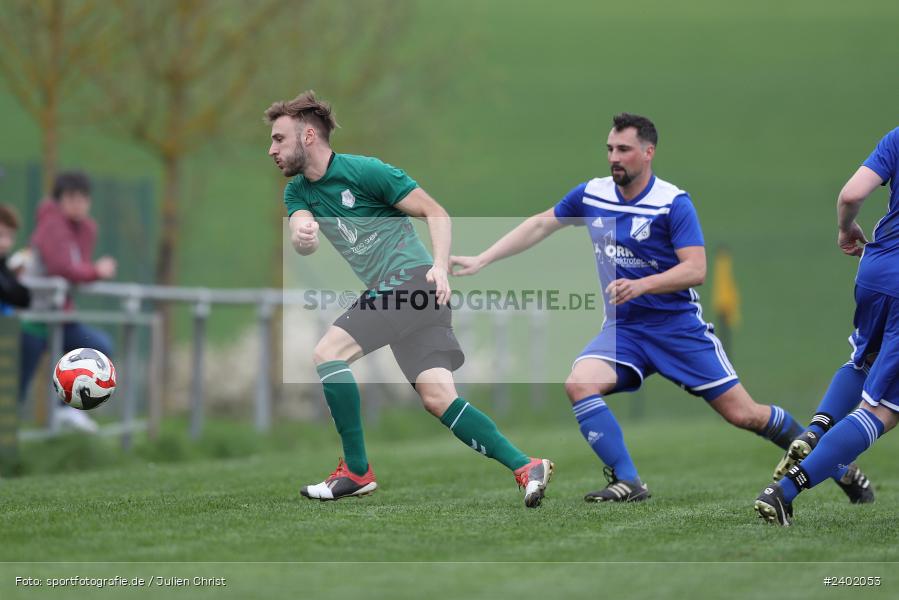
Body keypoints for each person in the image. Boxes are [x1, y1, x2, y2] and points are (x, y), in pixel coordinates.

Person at [451, 113, 868, 503]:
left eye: (624, 150)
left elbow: (696, 269)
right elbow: (542, 223)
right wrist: (482, 259)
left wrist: (641, 285)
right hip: (625, 331)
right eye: (610, 149)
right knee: (579, 383)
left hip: (678, 330)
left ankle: (838, 465)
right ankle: (627, 480)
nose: (615, 157)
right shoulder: (593, 193)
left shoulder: (671, 203)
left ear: (648, 153)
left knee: (746, 414)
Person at [266, 90, 553, 507]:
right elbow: (302, 230)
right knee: (439, 398)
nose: (271, 148)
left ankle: (356, 470)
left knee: (329, 354)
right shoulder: (298, 193)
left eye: (279, 138)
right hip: (408, 295)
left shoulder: (366, 171)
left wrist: (438, 265)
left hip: (413, 282)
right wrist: (302, 235)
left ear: (308, 136)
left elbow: (436, 212)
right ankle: (527, 466)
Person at [755, 127, 899, 526]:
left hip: (877, 268)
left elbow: (851, 195)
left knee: (863, 363)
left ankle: (816, 428)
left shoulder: (898, 137)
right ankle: (784, 492)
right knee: (882, 410)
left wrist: (845, 227)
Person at [19, 171, 117, 433]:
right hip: (34, 317)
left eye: (83, 198)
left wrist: (88, 270)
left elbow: (76, 269)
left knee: (98, 347)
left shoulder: (86, 228)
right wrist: (97, 271)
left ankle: (66, 412)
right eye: (71, 197)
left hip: (61, 316)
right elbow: (63, 267)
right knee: (17, 384)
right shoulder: (52, 224)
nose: (78, 203)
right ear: (59, 200)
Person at [0, 204, 31, 312]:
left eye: (10, 237)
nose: (5, 243)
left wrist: (15, 276)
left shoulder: (4, 264)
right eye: (0, 235)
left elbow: (24, 300)